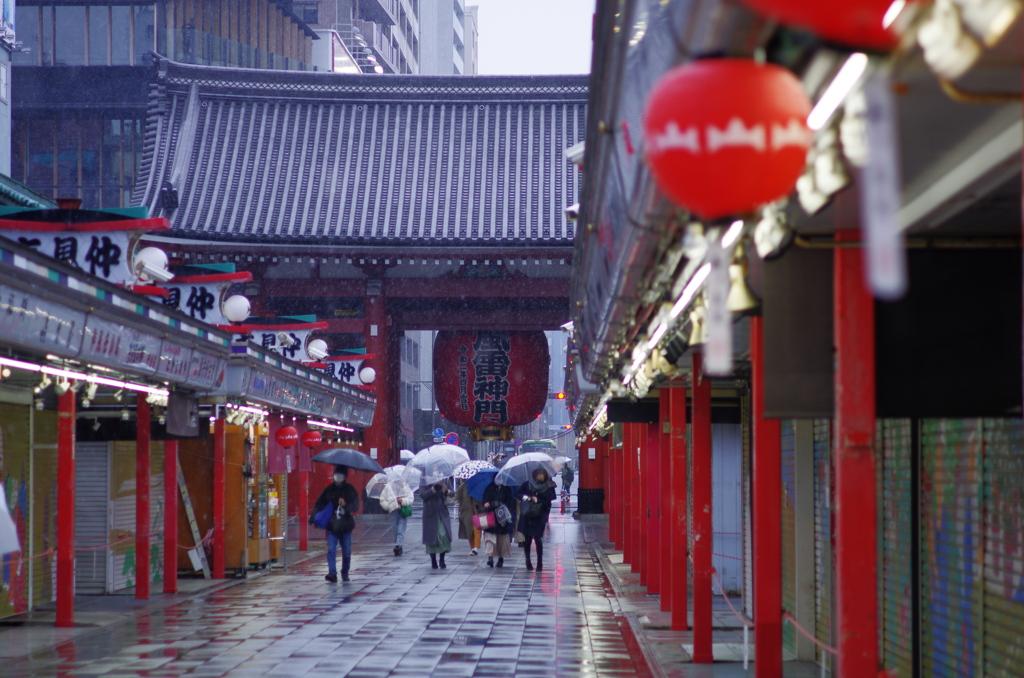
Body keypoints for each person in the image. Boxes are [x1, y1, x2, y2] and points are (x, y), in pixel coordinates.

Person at [309, 465, 360, 582]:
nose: (338, 476)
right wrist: (312, 519)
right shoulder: (329, 490)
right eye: (336, 474)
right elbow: (319, 504)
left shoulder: (349, 489)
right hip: (332, 525)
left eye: (340, 474)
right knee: (331, 549)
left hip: (345, 526)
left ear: (345, 476)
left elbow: (356, 505)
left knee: (346, 551)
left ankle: (345, 572)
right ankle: (332, 573)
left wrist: (345, 505)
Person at [516, 468, 556, 572]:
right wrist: (527, 497)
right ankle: (528, 561)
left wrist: (538, 499)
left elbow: (549, 501)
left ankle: (539, 563)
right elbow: (518, 494)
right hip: (528, 514)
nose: (540, 480)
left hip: (539, 515)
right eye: (538, 478)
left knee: (538, 539)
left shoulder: (548, 486)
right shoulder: (527, 484)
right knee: (527, 539)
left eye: (542, 479)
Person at [480, 480, 515, 568]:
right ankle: (490, 556)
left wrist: (502, 505)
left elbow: (510, 502)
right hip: (490, 515)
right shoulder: (489, 487)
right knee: (489, 536)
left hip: (502, 516)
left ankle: (501, 558)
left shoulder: (507, 489)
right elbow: (484, 499)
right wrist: (486, 503)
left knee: (502, 539)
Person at [421, 480, 453, 569]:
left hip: (442, 512)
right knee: (432, 537)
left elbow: (452, 493)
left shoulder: (445, 479)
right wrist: (433, 489)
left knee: (443, 535)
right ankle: (433, 560)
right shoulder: (425, 480)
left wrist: (446, 491)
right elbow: (423, 495)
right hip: (430, 513)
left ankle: (442, 559)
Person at [379, 478, 414, 556]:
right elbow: (382, 499)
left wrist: (403, 500)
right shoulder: (388, 487)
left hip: (403, 510)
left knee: (401, 528)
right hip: (393, 510)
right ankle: (399, 545)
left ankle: (398, 545)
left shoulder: (406, 487)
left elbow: (411, 499)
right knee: (395, 528)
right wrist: (388, 506)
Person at [455, 479, 483, 555]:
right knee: (469, 530)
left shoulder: (476, 486)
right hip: (466, 512)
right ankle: (473, 548)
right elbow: (456, 496)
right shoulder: (462, 487)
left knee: (476, 529)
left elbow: (479, 498)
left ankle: (476, 547)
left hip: (475, 511)